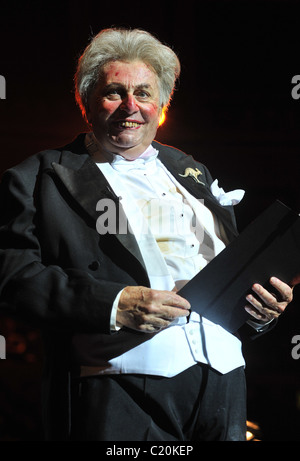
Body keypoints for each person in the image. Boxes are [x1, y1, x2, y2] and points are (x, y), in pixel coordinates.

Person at [0, 28, 294, 441]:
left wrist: (262, 309)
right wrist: (115, 303)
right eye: (114, 92)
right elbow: (10, 276)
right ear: (86, 103)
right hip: (119, 381)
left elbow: (233, 269)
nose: (130, 106)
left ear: (162, 104)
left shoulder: (193, 171)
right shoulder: (38, 177)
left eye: (143, 92)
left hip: (225, 380)